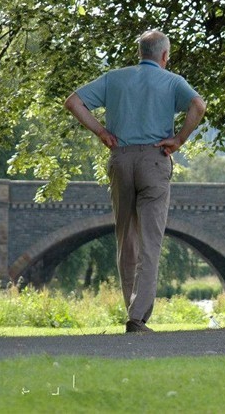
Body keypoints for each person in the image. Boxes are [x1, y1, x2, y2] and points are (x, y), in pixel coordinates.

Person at [65, 30, 206, 334]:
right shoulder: (172, 81)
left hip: (121, 158)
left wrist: (101, 132)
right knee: (150, 242)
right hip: (155, 159)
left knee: (126, 238)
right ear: (164, 56)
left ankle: (131, 308)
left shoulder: (114, 78)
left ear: (139, 53)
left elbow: (73, 102)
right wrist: (179, 139)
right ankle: (137, 315)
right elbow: (198, 105)